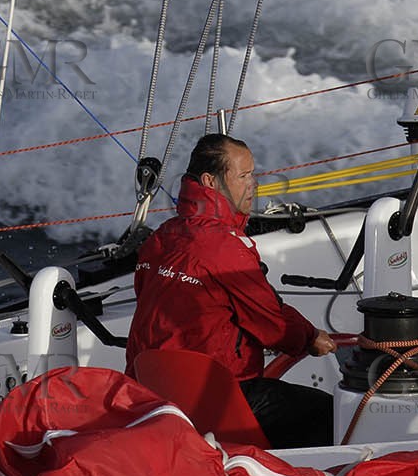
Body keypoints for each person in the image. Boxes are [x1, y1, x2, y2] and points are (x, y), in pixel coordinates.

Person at [126, 134, 337, 449]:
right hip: (214, 402)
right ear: (211, 182)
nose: (253, 184)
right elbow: (274, 327)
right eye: (243, 176)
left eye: (253, 174)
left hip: (155, 398)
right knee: (332, 415)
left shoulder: (160, 239)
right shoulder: (226, 248)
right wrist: (309, 338)